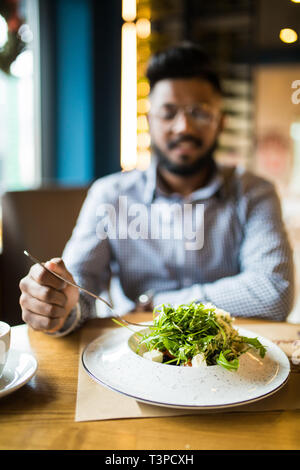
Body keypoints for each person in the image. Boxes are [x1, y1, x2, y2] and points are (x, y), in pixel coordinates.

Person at [19, 42, 295, 336]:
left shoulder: (255, 192)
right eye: (168, 112)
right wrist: (60, 306)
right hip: (134, 351)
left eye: (200, 112)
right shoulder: (110, 194)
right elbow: (79, 290)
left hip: (229, 355)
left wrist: (155, 303)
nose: (183, 127)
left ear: (220, 122)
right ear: (150, 121)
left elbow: (275, 293)